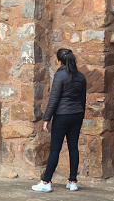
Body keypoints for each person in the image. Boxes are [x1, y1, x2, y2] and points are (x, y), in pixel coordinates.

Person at [32, 48, 87, 192]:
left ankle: (46, 182)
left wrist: (46, 119)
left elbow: (54, 99)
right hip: (77, 115)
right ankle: (73, 181)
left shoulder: (60, 76)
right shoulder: (81, 77)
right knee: (73, 147)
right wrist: (81, 116)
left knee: (55, 149)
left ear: (59, 61)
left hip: (62, 116)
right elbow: (83, 100)